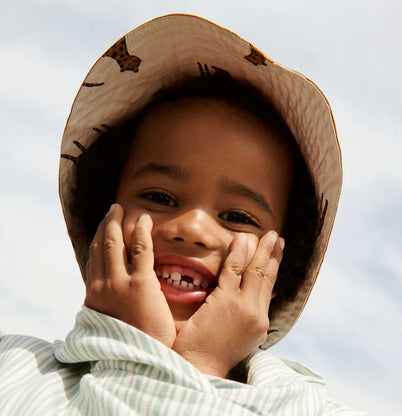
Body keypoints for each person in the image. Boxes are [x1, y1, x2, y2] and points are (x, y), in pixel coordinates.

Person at [0, 14, 365, 415]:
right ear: (102, 219)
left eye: (237, 216)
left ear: (282, 268)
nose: (192, 229)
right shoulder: (11, 367)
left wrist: (197, 365)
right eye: (159, 196)